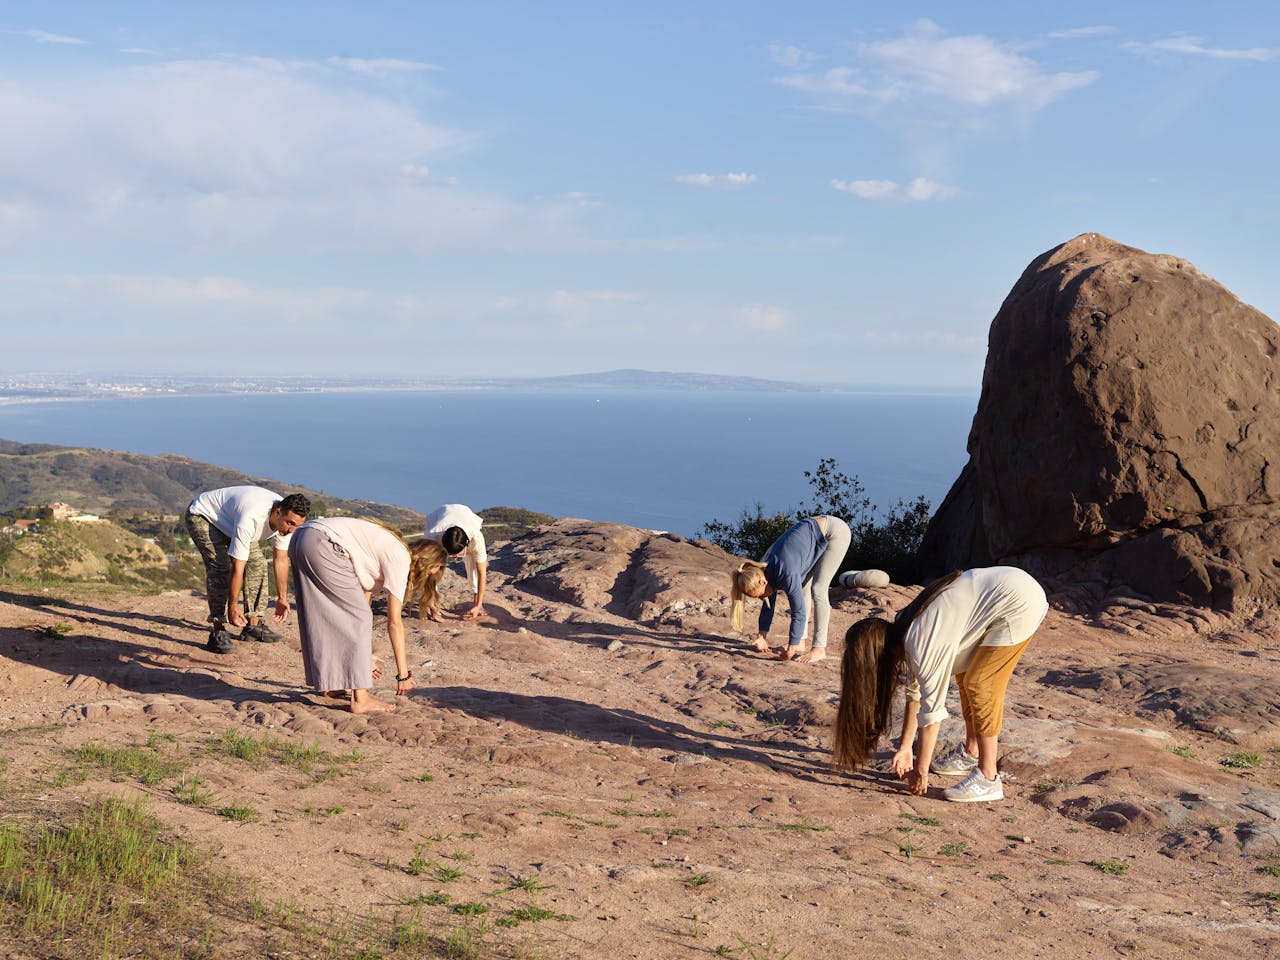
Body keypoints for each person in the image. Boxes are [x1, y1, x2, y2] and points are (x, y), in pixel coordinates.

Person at [832, 566, 1048, 803]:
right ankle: (971, 752)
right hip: (1007, 588)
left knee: (981, 683)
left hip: (1019, 602)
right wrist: (906, 749)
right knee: (965, 676)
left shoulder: (920, 642)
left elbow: (931, 713)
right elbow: (915, 693)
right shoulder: (905, 627)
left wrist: (921, 770)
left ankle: (988, 778)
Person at [287, 516, 415, 714]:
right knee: (360, 617)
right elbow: (394, 623)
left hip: (301, 537)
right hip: (321, 542)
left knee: (326, 614)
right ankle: (360, 699)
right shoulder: (401, 559)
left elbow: (356, 606)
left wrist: (361, 658)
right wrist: (403, 675)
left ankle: (334, 682)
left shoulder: (374, 547)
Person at [185, 486, 311, 654]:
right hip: (204, 516)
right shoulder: (251, 518)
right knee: (221, 567)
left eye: (297, 525)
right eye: (290, 523)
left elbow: (280, 559)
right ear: (278, 512)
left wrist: (282, 598)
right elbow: (238, 566)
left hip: (231, 522)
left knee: (257, 563)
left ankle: (252, 626)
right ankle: (218, 630)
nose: (292, 530)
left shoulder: (286, 526)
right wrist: (233, 606)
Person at [728, 515, 852, 663]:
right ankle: (800, 642)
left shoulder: (785, 571)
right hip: (813, 534)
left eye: (760, 596)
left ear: (763, 582)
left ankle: (819, 649)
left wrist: (790, 650)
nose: (762, 598)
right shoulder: (762, 570)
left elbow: (798, 611)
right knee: (803, 587)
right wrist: (762, 637)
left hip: (834, 531)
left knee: (818, 588)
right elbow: (768, 605)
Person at [423, 504, 488, 621]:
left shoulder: (476, 538)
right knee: (433, 567)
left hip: (465, 514)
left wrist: (478, 606)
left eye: (457, 555)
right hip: (440, 516)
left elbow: (481, 573)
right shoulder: (433, 536)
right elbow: (427, 571)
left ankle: (477, 603)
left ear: (466, 544)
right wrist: (429, 602)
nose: (454, 559)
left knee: (473, 565)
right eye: (450, 555)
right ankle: (433, 605)